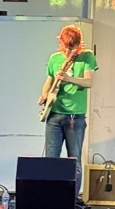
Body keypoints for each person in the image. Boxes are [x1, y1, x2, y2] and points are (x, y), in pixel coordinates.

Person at [38, 25, 98, 197]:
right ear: (60, 43)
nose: (68, 51)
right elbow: (48, 82)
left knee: (74, 160)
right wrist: (44, 96)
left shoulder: (87, 57)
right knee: (51, 159)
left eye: (72, 47)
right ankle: (50, 197)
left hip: (75, 117)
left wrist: (68, 78)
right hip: (54, 115)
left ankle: (72, 198)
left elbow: (88, 82)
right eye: (66, 47)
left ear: (79, 44)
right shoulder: (55, 58)